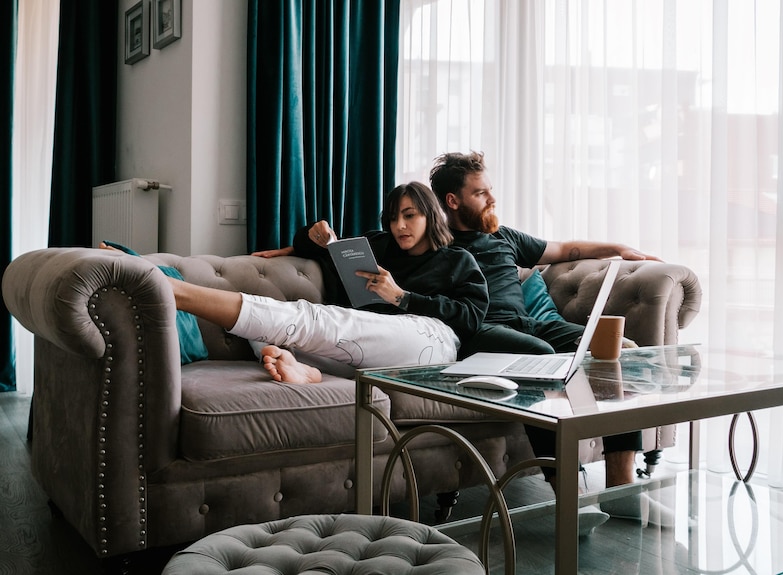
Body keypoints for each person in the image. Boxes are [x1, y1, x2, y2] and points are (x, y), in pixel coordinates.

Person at [429, 151, 673, 529]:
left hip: (530, 324)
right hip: (482, 332)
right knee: (541, 361)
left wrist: (618, 248)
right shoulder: (433, 246)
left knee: (615, 352)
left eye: (490, 190)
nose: (492, 199)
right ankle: (571, 503)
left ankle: (623, 492)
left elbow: (567, 250)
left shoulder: (503, 236)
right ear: (452, 201)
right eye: (481, 193)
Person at [172, 181, 489, 383]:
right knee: (273, 337)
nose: (399, 226)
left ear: (430, 215)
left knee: (320, 320)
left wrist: (402, 298)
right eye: (393, 218)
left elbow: (472, 317)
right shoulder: (379, 245)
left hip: (430, 341)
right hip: (367, 346)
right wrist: (314, 235)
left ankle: (177, 292)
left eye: (409, 216)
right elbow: (323, 250)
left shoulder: (458, 260)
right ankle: (304, 368)